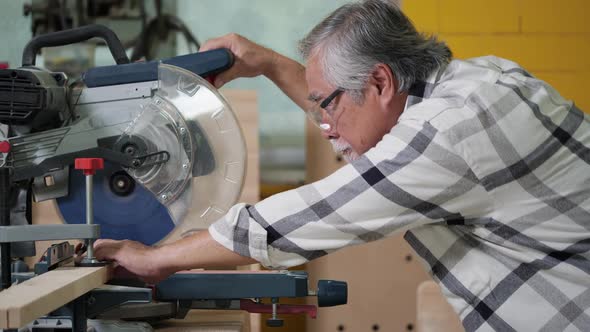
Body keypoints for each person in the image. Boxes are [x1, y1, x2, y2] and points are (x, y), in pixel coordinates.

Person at [94, 0, 590, 331]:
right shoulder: (474, 80)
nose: (324, 125)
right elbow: (355, 134)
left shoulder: (450, 133)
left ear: (379, 82)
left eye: (327, 104)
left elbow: (312, 216)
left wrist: (154, 258)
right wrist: (266, 63)